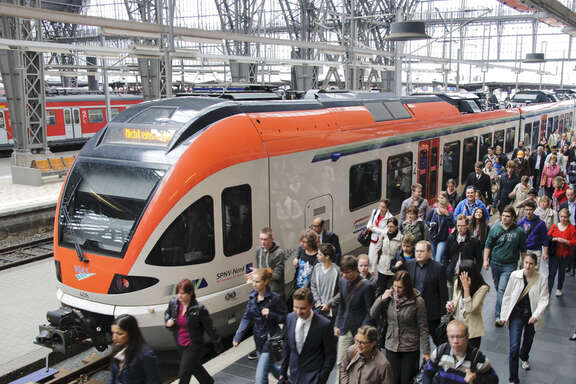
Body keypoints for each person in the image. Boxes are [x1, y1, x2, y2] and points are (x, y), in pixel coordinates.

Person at [370, 271, 430, 384]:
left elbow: (423, 327)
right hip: (391, 344)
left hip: (410, 347)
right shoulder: (389, 297)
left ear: (407, 287)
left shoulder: (418, 301)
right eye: (395, 286)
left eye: (400, 287)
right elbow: (373, 313)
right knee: (392, 379)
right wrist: (382, 298)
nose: (396, 290)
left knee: (407, 380)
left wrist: (426, 352)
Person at [500, 254, 549, 384]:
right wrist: (504, 315)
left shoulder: (542, 279)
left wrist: (536, 315)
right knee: (514, 347)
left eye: (531, 263)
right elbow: (508, 295)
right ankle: (513, 379)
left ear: (535, 265)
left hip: (531, 316)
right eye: (526, 263)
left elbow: (544, 299)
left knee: (528, 339)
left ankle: (524, 356)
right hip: (516, 314)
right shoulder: (515, 275)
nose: (528, 266)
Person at [233, 268, 288, 384]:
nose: (254, 284)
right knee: (272, 368)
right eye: (253, 281)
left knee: (260, 377)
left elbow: (285, 317)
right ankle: (288, 380)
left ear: (266, 282)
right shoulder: (252, 298)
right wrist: (238, 336)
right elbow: (246, 317)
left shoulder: (275, 299)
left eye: (257, 282)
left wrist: (271, 314)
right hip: (258, 340)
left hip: (270, 340)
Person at [165, 279, 221, 384]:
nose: (179, 296)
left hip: (194, 345)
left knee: (184, 372)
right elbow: (167, 313)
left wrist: (217, 343)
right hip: (180, 343)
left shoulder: (199, 309)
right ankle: (208, 381)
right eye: (178, 293)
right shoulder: (174, 303)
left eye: (182, 293)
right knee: (194, 367)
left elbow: (210, 328)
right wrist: (168, 320)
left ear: (190, 293)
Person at [280, 288, 337, 384]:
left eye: (302, 308)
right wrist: (282, 373)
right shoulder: (290, 318)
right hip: (294, 376)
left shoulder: (324, 325)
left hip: (314, 377)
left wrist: (321, 379)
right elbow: (287, 347)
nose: (298, 312)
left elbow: (330, 355)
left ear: (312, 305)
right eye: (295, 307)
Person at [483, 205, 527, 327]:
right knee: (498, 288)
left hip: (510, 265)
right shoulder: (495, 228)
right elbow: (488, 245)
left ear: (513, 218)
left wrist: (523, 263)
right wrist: (485, 260)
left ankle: (499, 315)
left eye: (508, 216)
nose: (505, 218)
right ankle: (503, 302)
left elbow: (523, 249)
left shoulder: (519, 231)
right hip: (495, 263)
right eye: (503, 216)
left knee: (502, 289)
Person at [422, 320, 497, 384]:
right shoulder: (440, 351)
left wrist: (476, 379)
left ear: (467, 336)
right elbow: (427, 373)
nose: (455, 341)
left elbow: (494, 380)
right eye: (451, 337)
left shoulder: (478, 359)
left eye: (459, 336)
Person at [335, 255, 375, 365]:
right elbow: (342, 305)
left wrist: (363, 331)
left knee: (360, 363)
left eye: (348, 272)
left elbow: (370, 312)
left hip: (360, 331)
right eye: (343, 272)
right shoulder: (342, 281)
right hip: (345, 327)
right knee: (341, 363)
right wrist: (338, 324)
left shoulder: (367, 286)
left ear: (355, 270)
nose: (345, 275)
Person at [406, 240, 448, 346]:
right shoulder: (409, 264)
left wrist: (443, 314)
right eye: (417, 251)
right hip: (413, 311)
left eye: (422, 251)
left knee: (438, 340)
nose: (419, 254)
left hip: (431, 312)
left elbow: (443, 293)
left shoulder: (438, 268)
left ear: (429, 252)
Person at [445, 261, 489, 349]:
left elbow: (469, 309)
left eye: (459, 270)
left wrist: (466, 288)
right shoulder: (458, 282)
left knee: (470, 358)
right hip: (456, 327)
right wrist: (450, 305)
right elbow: (455, 301)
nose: (457, 272)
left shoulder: (482, 288)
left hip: (471, 331)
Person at [110, 314, 161, 384]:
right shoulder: (116, 348)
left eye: (119, 334)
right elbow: (113, 377)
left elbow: (154, 381)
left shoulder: (146, 355)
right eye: (113, 333)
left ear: (131, 333)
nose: (114, 338)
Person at [443, 215, 483, 287]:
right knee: (451, 297)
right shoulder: (451, 238)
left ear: (467, 226)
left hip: (467, 275)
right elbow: (445, 256)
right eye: (458, 225)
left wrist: (474, 273)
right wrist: (447, 269)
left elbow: (479, 260)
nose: (460, 228)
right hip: (452, 273)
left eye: (462, 226)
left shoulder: (474, 241)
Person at [547, 208, 576, 297]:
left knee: (561, 272)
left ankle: (559, 288)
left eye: (565, 217)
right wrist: (554, 239)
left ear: (568, 217)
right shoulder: (554, 226)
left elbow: (574, 241)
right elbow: (548, 237)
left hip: (565, 254)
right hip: (554, 253)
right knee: (552, 273)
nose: (563, 219)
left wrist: (564, 241)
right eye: (561, 217)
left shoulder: (571, 228)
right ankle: (548, 291)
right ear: (559, 216)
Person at [310, 243, 340, 322]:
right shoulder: (317, 267)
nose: (317, 256)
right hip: (318, 307)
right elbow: (313, 286)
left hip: (331, 311)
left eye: (320, 254)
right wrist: (318, 302)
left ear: (327, 257)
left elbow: (341, 291)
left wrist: (329, 304)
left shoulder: (337, 271)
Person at [517, 201, 549, 270]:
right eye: (526, 209)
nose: (528, 212)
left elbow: (545, 239)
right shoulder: (520, 222)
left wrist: (545, 253)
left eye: (530, 209)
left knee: (534, 271)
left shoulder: (541, 223)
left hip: (536, 250)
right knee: (523, 271)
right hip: (524, 250)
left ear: (534, 210)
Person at [253, 227, 285, 296]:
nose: (262, 242)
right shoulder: (258, 250)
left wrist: (260, 272)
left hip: (275, 291)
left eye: (265, 239)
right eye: (261, 239)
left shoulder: (278, 253)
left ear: (271, 239)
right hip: (262, 289)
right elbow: (259, 269)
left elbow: (277, 275)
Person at [374, 217, 403, 294]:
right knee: (381, 290)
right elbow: (377, 249)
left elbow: (401, 254)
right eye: (388, 226)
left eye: (392, 227)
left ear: (396, 227)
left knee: (390, 290)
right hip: (382, 267)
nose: (389, 228)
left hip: (392, 269)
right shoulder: (383, 235)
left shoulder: (401, 238)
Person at [366, 199, 394, 273]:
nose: (381, 208)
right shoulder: (375, 211)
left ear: (387, 208)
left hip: (382, 240)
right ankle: (372, 273)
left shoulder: (390, 218)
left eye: (383, 207)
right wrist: (369, 227)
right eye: (380, 206)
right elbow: (370, 223)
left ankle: (373, 274)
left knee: (379, 258)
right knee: (371, 257)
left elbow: (386, 231)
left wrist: (374, 229)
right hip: (373, 238)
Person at [426, 192, 454, 263]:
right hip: (433, 238)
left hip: (443, 239)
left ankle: (438, 272)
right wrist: (430, 224)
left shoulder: (449, 214)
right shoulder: (433, 211)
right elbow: (427, 221)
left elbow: (451, 225)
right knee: (433, 258)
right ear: (438, 205)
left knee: (438, 259)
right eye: (440, 206)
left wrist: (447, 215)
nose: (442, 208)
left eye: (444, 206)